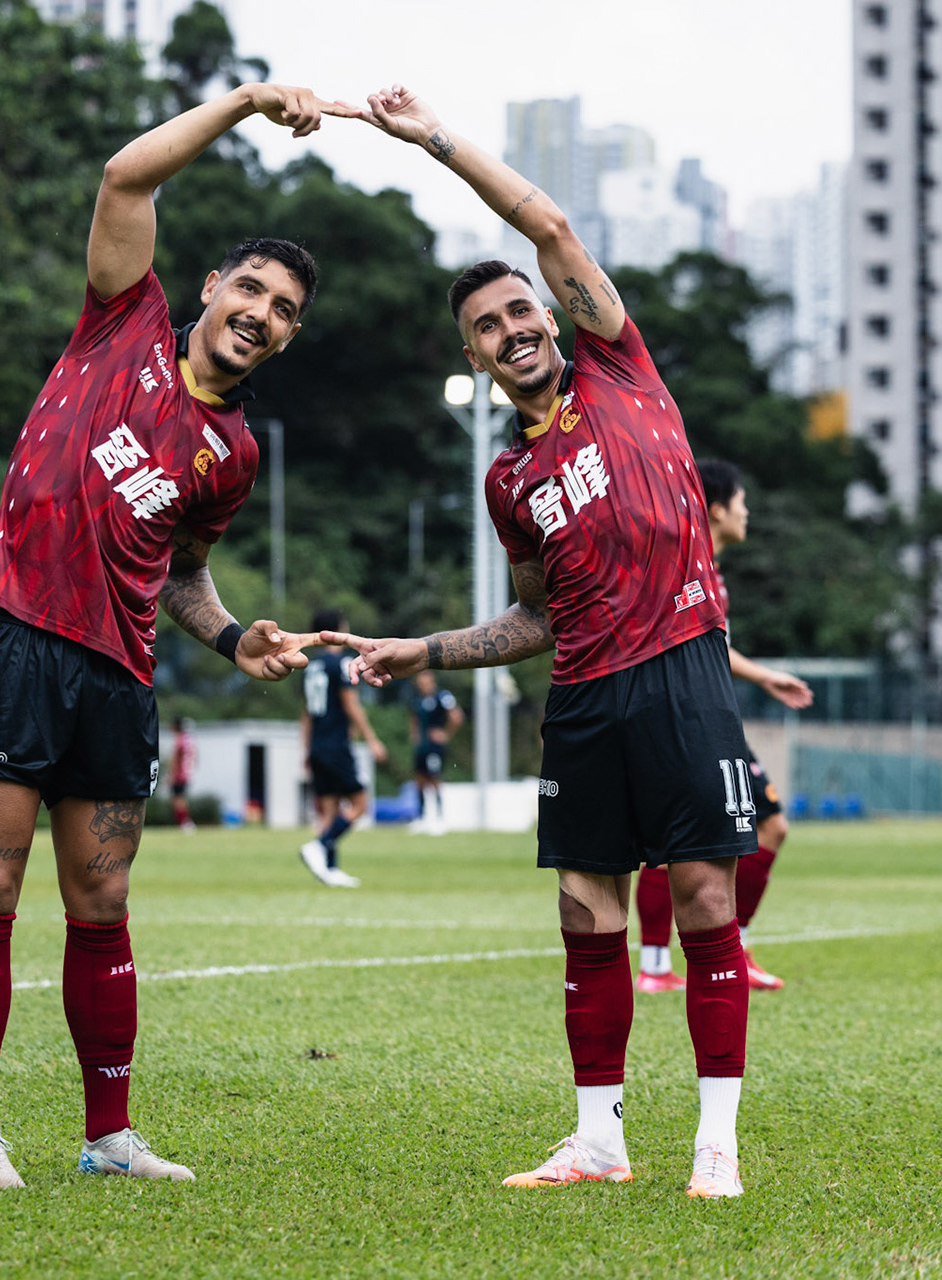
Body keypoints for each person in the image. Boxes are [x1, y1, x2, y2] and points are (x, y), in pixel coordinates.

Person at [0, 81, 353, 1191]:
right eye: (250, 286)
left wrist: (230, 638)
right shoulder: (121, 317)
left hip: (118, 676)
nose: (261, 310)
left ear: (290, 338)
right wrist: (249, 102)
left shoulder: (237, 455)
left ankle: (108, 1133)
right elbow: (126, 175)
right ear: (210, 286)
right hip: (16, 637)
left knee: (102, 906)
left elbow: (183, 574)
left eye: (284, 309)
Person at [336, 84, 756, 1199]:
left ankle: (715, 1140)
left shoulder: (623, 368)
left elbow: (549, 226)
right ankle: (599, 1138)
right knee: (585, 914)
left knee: (708, 898)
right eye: (488, 327)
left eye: (522, 312)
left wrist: (429, 138)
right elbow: (535, 616)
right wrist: (418, 649)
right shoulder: (508, 477)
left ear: (554, 314)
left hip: (681, 672)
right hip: (583, 698)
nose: (513, 330)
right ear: (473, 357)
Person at [635, 460, 812, 994]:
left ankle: (665, 964)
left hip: (704, 715)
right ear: (717, 508)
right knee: (725, 831)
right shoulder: (681, 559)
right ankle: (665, 963)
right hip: (686, 718)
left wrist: (763, 678)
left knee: (721, 832)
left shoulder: (707, 568)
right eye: (741, 502)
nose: (747, 512)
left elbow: (709, 645)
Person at [299, 610, 388, 887]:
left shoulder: (311, 666)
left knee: (329, 810)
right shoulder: (338, 664)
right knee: (360, 804)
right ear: (339, 630)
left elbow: (306, 714)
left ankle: (330, 869)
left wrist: (307, 750)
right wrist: (371, 739)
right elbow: (350, 703)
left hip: (317, 745)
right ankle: (319, 846)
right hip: (336, 744)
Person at [409, 669, 462, 834]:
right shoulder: (417, 699)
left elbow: (456, 716)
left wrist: (445, 734)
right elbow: (413, 719)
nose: (422, 684)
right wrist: (415, 736)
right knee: (419, 780)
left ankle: (440, 818)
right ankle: (421, 817)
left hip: (434, 747)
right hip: (422, 747)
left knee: (434, 779)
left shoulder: (442, 696)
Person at [170, 717, 199, 832]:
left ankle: (185, 823)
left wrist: (172, 773)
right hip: (187, 773)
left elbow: (176, 758)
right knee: (181, 798)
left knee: (178, 799)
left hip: (179, 773)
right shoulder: (189, 740)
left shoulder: (180, 740)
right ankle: (185, 822)